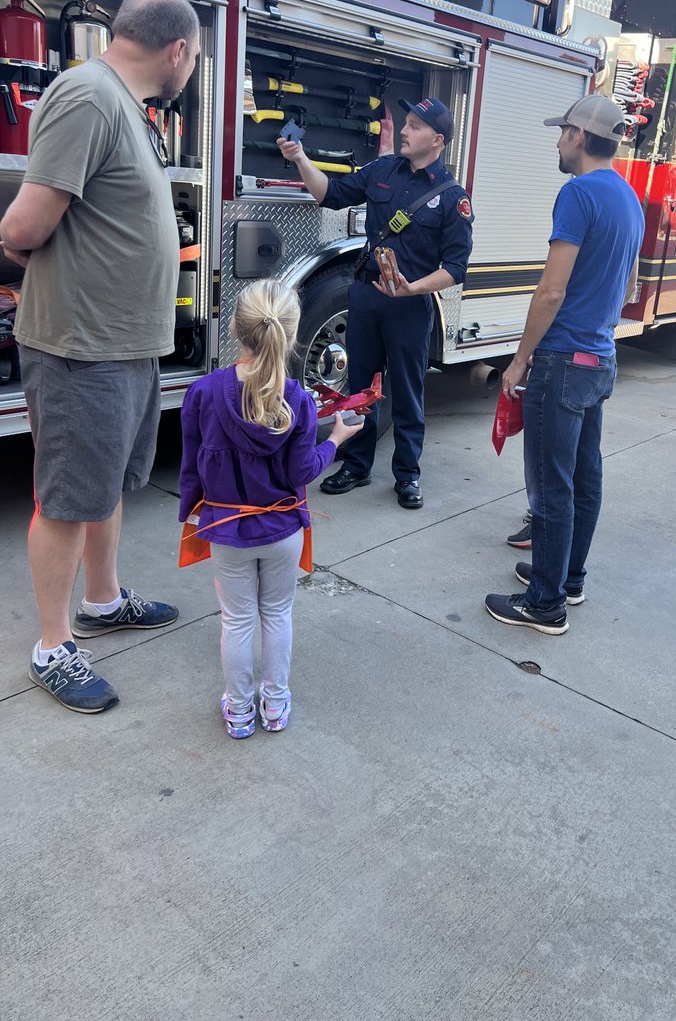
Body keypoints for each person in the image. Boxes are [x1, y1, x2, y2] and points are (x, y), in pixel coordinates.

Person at [0, 0, 201, 712]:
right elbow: (23, 226)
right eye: (197, 55)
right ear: (178, 48)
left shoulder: (123, 106)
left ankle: (102, 600)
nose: (193, 68)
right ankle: (52, 646)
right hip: (82, 345)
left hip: (124, 343)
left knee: (109, 483)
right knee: (65, 497)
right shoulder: (87, 96)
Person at [485, 96, 643, 635]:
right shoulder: (628, 197)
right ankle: (567, 577)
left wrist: (519, 359)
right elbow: (626, 286)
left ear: (579, 136)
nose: (556, 141)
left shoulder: (577, 193)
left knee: (551, 485)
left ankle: (543, 603)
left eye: (561, 133)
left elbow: (551, 290)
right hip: (599, 358)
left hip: (563, 359)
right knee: (583, 475)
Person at [178, 279, 359, 738]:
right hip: (282, 533)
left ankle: (239, 711)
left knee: (236, 620)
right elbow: (302, 471)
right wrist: (334, 439)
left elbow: (191, 465)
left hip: (226, 531)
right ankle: (274, 705)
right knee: (277, 615)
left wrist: (190, 514)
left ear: (237, 331)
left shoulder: (202, 393)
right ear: (292, 334)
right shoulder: (297, 400)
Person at [278, 96, 473, 509]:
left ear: (436, 140)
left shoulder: (452, 197)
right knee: (362, 388)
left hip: (409, 306)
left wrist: (414, 288)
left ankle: (407, 475)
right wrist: (300, 159)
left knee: (406, 391)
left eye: (415, 126)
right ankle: (355, 464)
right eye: (405, 123)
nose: (403, 130)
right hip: (365, 295)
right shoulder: (382, 170)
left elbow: (456, 267)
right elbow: (328, 193)